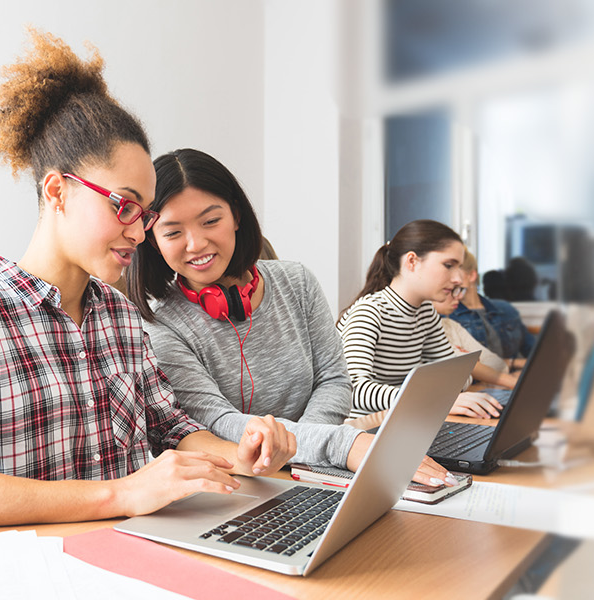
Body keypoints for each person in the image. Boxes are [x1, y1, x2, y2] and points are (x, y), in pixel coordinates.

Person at [0, 29, 272, 540]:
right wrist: (122, 493)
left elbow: (169, 427)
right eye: (125, 205)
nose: (140, 231)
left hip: (139, 554)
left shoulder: (119, 314)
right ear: (57, 191)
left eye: (146, 213)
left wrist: (239, 451)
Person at [129, 148, 452, 484]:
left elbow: (335, 379)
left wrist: (311, 449)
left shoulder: (297, 282)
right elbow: (217, 421)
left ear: (236, 216)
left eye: (211, 221)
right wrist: (341, 445)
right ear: (151, 240)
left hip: (321, 468)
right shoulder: (159, 327)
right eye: (172, 232)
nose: (195, 244)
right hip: (247, 482)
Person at [341, 220, 510, 422]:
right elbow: (353, 392)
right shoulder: (369, 312)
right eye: (448, 265)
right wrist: (431, 398)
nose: (458, 279)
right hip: (363, 430)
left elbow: (459, 378)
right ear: (412, 262)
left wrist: (428, 392)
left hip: (409, 420)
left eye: (459, 268)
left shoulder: (425, 313)